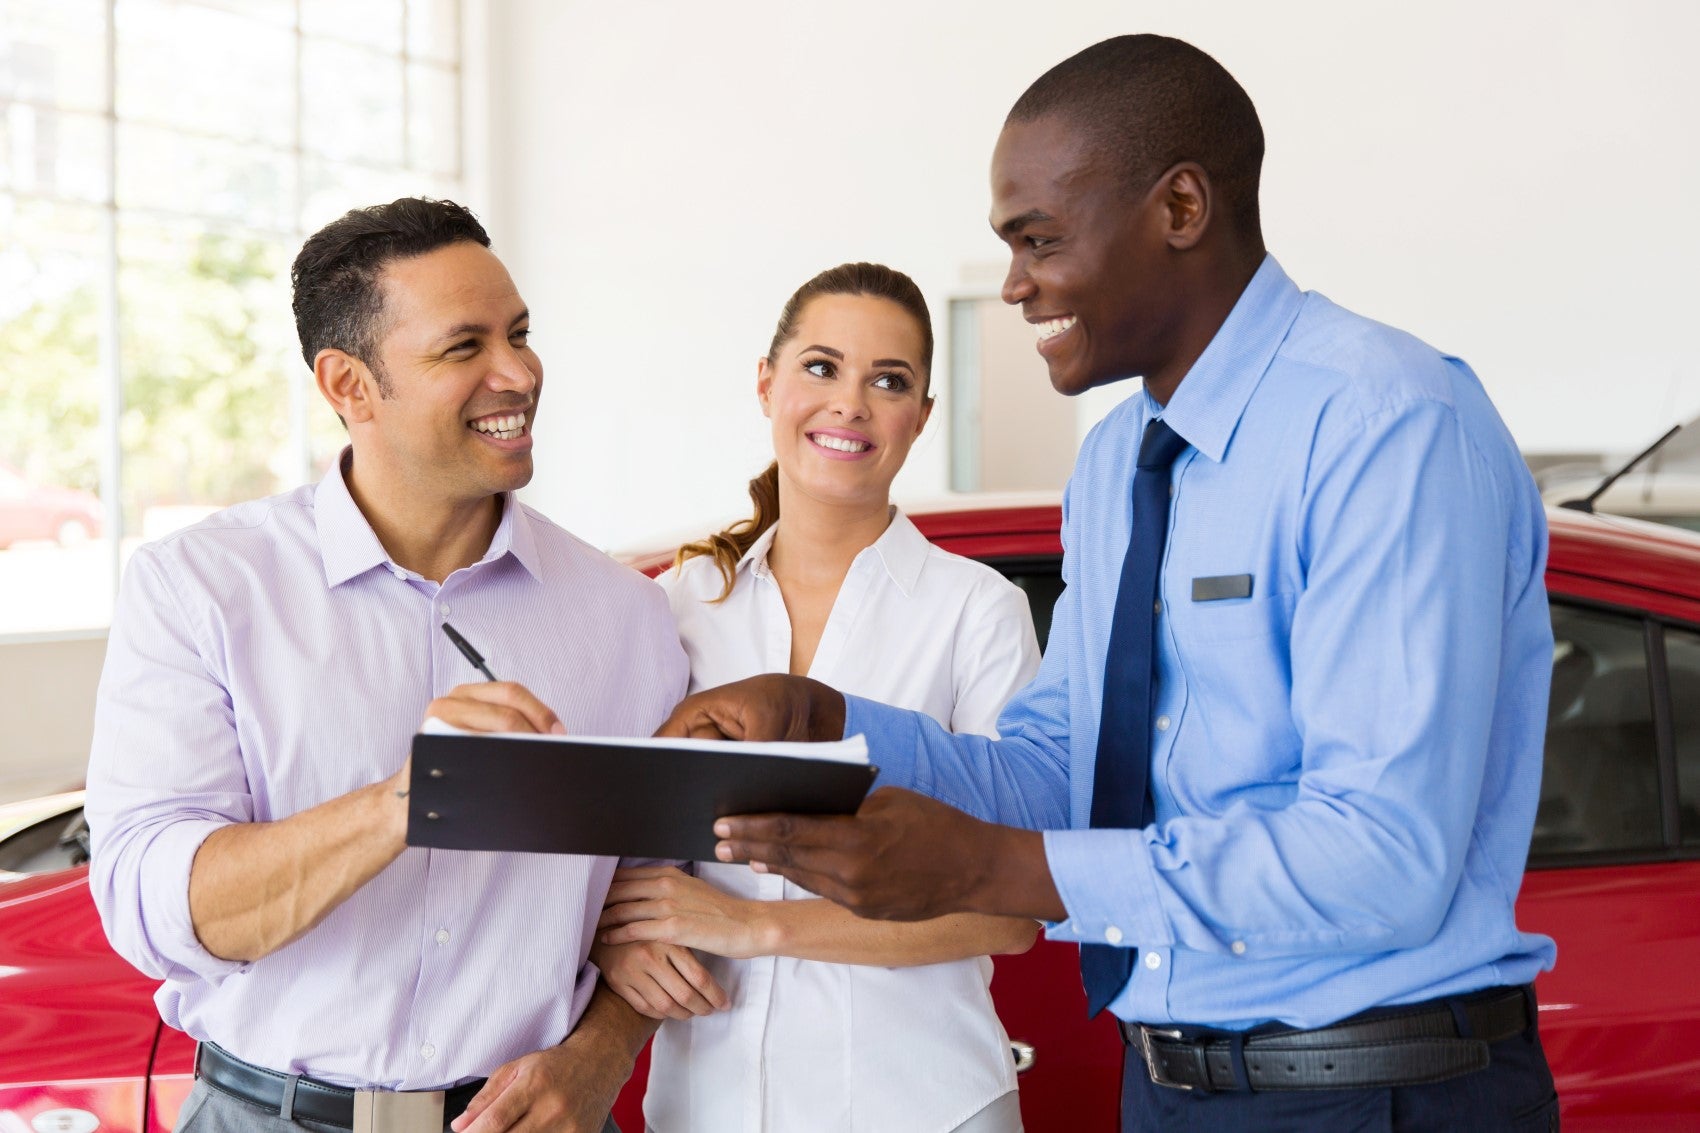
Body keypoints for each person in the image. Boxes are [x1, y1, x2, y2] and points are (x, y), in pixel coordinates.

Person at [658, 35, 1561, 1132]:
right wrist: (829, 720)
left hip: (1376, 1091)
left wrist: (999, 866)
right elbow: (1061, 768)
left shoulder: (1384, 424)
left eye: (1039, 239)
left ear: (1179, 207)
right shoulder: (1117, 459)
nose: (1014, 285)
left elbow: (1379, 854)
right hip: (1171, 1085)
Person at [85, 198, 686, 1133]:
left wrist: (599, 1056)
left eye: (520, 334)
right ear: (349, 385)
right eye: (465, 347)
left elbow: (659, 899)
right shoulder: (201, 588)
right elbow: (159, 913)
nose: (519, 372)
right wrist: (407, 801)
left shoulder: (629, 618)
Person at [592, 263, 1042, 1133]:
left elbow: (1010, 913)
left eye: (889, 380)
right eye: (822, 367)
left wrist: (752, 927)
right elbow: (615, 850)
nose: (850, 403)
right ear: (767, 384)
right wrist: (621, 936)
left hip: (926, 1104)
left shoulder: (977, 610)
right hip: (706, 1105)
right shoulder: (679, 601)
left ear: (922, 416)